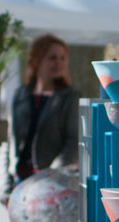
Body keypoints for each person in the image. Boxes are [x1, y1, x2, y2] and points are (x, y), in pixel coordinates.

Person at [5, 33, 79, 186]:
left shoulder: (70, 98)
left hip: (52, 182)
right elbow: (10, 141)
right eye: (52, 58)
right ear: (37, 60)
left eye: (62, 58)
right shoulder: (21, 95)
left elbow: (74, 143)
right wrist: (5, 185)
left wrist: (51, 175)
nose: (58, 63)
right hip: (19, 180)